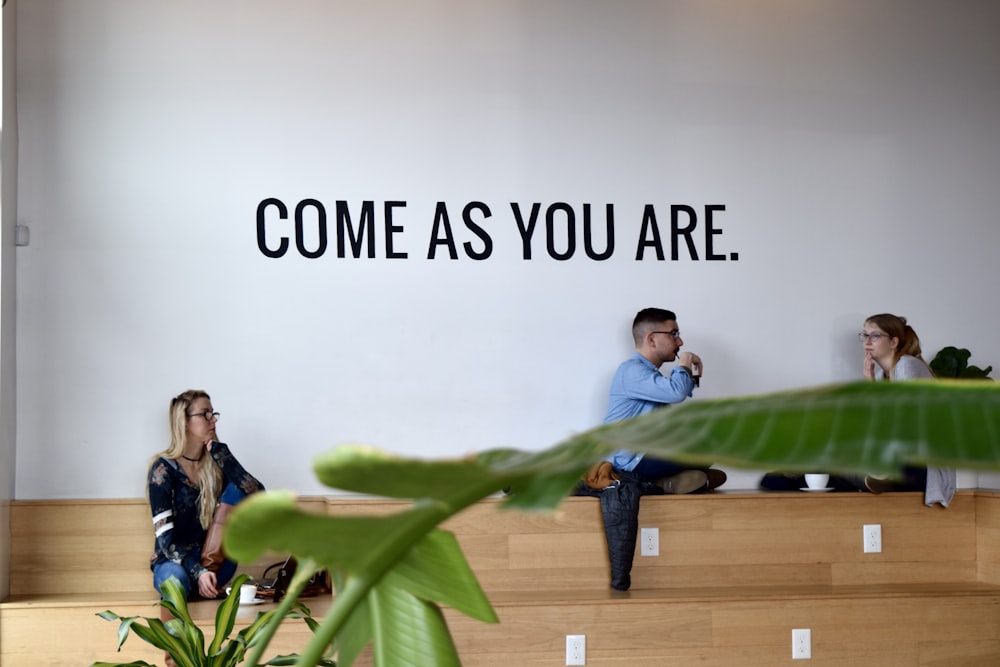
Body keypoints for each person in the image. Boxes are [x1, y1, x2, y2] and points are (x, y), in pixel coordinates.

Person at [148, 390, 265, 601]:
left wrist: (226, 459)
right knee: (176, 582)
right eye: (205, 414)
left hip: (215, 566)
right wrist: (198, 572)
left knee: (238, 488)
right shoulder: (162, 470)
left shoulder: (216, 465)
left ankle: (205, 586)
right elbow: (166, 543)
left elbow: (259, 496)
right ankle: (194, 592)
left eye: (213, 414)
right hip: (174, 564)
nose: (213, 420)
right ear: (184, 421)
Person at [603, 308, 726, 493]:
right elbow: (676, 392)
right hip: (630, 462)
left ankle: (664, 482)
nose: (680, 341)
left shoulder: (648, 374)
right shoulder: (631, 371)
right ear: (651, 339)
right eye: (673, 334)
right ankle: (656, 483)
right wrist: (684, 360)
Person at [857, 313, 956, 504]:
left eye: (875, 336)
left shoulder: (907, 366)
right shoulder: (880, 376)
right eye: (865, 335)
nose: (867, 341)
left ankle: (884, 476)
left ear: (894, 342)